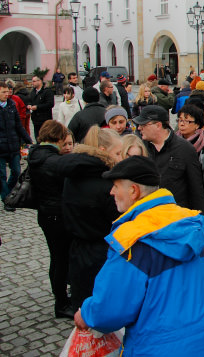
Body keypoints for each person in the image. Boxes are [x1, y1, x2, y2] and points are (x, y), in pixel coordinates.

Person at [73, 156, 204, 356]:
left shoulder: (132, 240)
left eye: (116, 186)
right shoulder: (194, 226)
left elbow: (110, 310)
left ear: (134, 191)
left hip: (157, 347)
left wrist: (86, 313)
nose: (111, 192)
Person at [47, 126, 122, 310]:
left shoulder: (73, 176)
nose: (121, 158)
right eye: (118, 153)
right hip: (104, 254)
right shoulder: (106, 185)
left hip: (79, 252)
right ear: (104, 151)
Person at [28, 121, 73, 318]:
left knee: (57, 258)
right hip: (58, 214)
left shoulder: (37, 155)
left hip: (46, 213)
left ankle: (61, 298)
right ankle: (61, 303)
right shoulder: (54, 161)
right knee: (61, 259)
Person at [134, 105, 204, 215]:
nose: (139, 128)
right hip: (146, 217)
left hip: (175, 219)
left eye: (143, 124)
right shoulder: (139, 148)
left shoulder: (184, 149)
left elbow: (196, 189)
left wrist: (202, 222)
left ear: (158, 125)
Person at [176, 104, 204, 224]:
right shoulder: (175, 142)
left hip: (202, 199)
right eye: (180, 120)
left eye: (187, 121)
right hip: (180, 199)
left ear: (198, 125)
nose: (182, 124)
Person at [0, 80, 33, 212]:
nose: (6, 94)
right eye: (3, 92)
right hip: (0, 148)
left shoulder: (11, 105)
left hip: (13, 145)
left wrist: (28, 140)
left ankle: (7, 192)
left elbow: (18, 125)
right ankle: (7, 199)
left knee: (16, 172)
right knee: (1, 175)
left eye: (7, 92)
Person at [27, 75, 54, 140]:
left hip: (45, 119)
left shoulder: (47, 91)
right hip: (35, 119)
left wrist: (37, 107)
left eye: (34, 81)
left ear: (40, 81)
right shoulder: (33, 92)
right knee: (37, 138)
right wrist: (29, 105)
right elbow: (30, 101)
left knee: (46, 138)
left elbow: (50, 104)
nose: (32, 83)